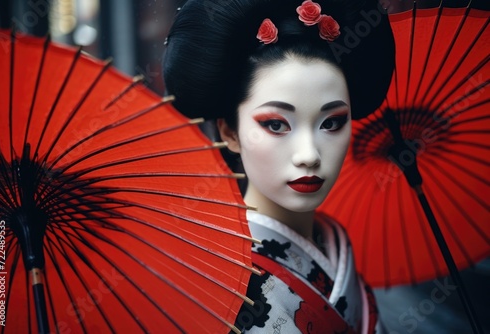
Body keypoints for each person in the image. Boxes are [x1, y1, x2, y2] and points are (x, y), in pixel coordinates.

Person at [162, 0, 395, 332]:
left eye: (331, 123)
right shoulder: (216, 284)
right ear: (230, 131)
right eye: (275, 124)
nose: (308, 154)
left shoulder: (334, 246)